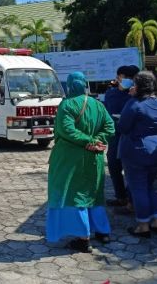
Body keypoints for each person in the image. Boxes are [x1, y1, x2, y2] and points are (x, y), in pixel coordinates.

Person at [46, 72, 115, 252]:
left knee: (73, 195)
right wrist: (97, 140)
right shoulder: (98, 104)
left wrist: (89, 141)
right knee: (94, 193)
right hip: (94, 158)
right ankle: (103, 231)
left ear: (69, 85)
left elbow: (66, 130)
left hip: (70, 159)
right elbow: (110, 126)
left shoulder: (66, 105)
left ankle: (83, 238)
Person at [117, 72, 157, 238]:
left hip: (136, 150)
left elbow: (123, 126)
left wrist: (131, 98)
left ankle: (143, 225)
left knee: (138, 187)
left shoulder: (135, 104)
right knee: (149, 186)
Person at [103, 65, 139, 208]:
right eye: (125, 77)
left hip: (131, 136)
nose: (128, 81)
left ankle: (131, 199)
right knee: (113, 165)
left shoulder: (137, 95)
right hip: (115, 135)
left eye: (131, 78)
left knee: (130, 169)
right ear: (118, 77)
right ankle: (120, 196)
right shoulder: (111, 93)